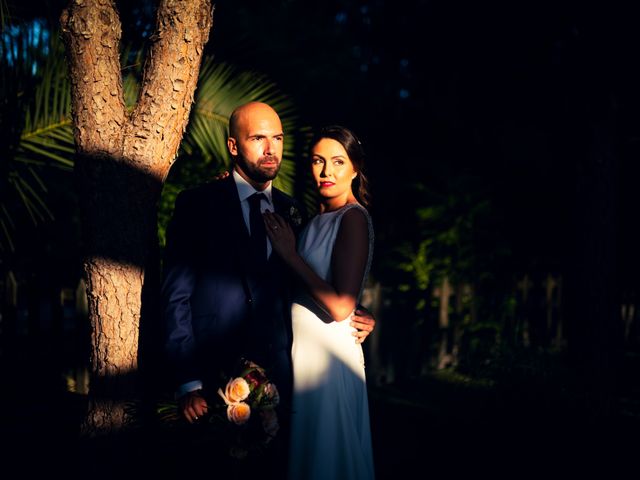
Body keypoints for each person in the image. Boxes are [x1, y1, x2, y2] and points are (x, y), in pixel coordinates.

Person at [160, 102, 375, 473]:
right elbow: (176, 295)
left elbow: (320, 280)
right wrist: (187, 381)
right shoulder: (199, 204)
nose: (270, 148)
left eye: (277, 138)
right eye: (258, 138)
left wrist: (359, 313)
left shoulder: (294, 213)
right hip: (212, 381)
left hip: (286, 380)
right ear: (232, 146)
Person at [264, 125, 376, 479]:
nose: (326, 172)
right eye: (318, 161)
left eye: (338, 162)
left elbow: (342, 306)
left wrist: (290, 255)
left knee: (327, 459)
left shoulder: (353, 218)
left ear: (355, 168)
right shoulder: (313, 219)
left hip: (329, 362)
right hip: (305, 357)